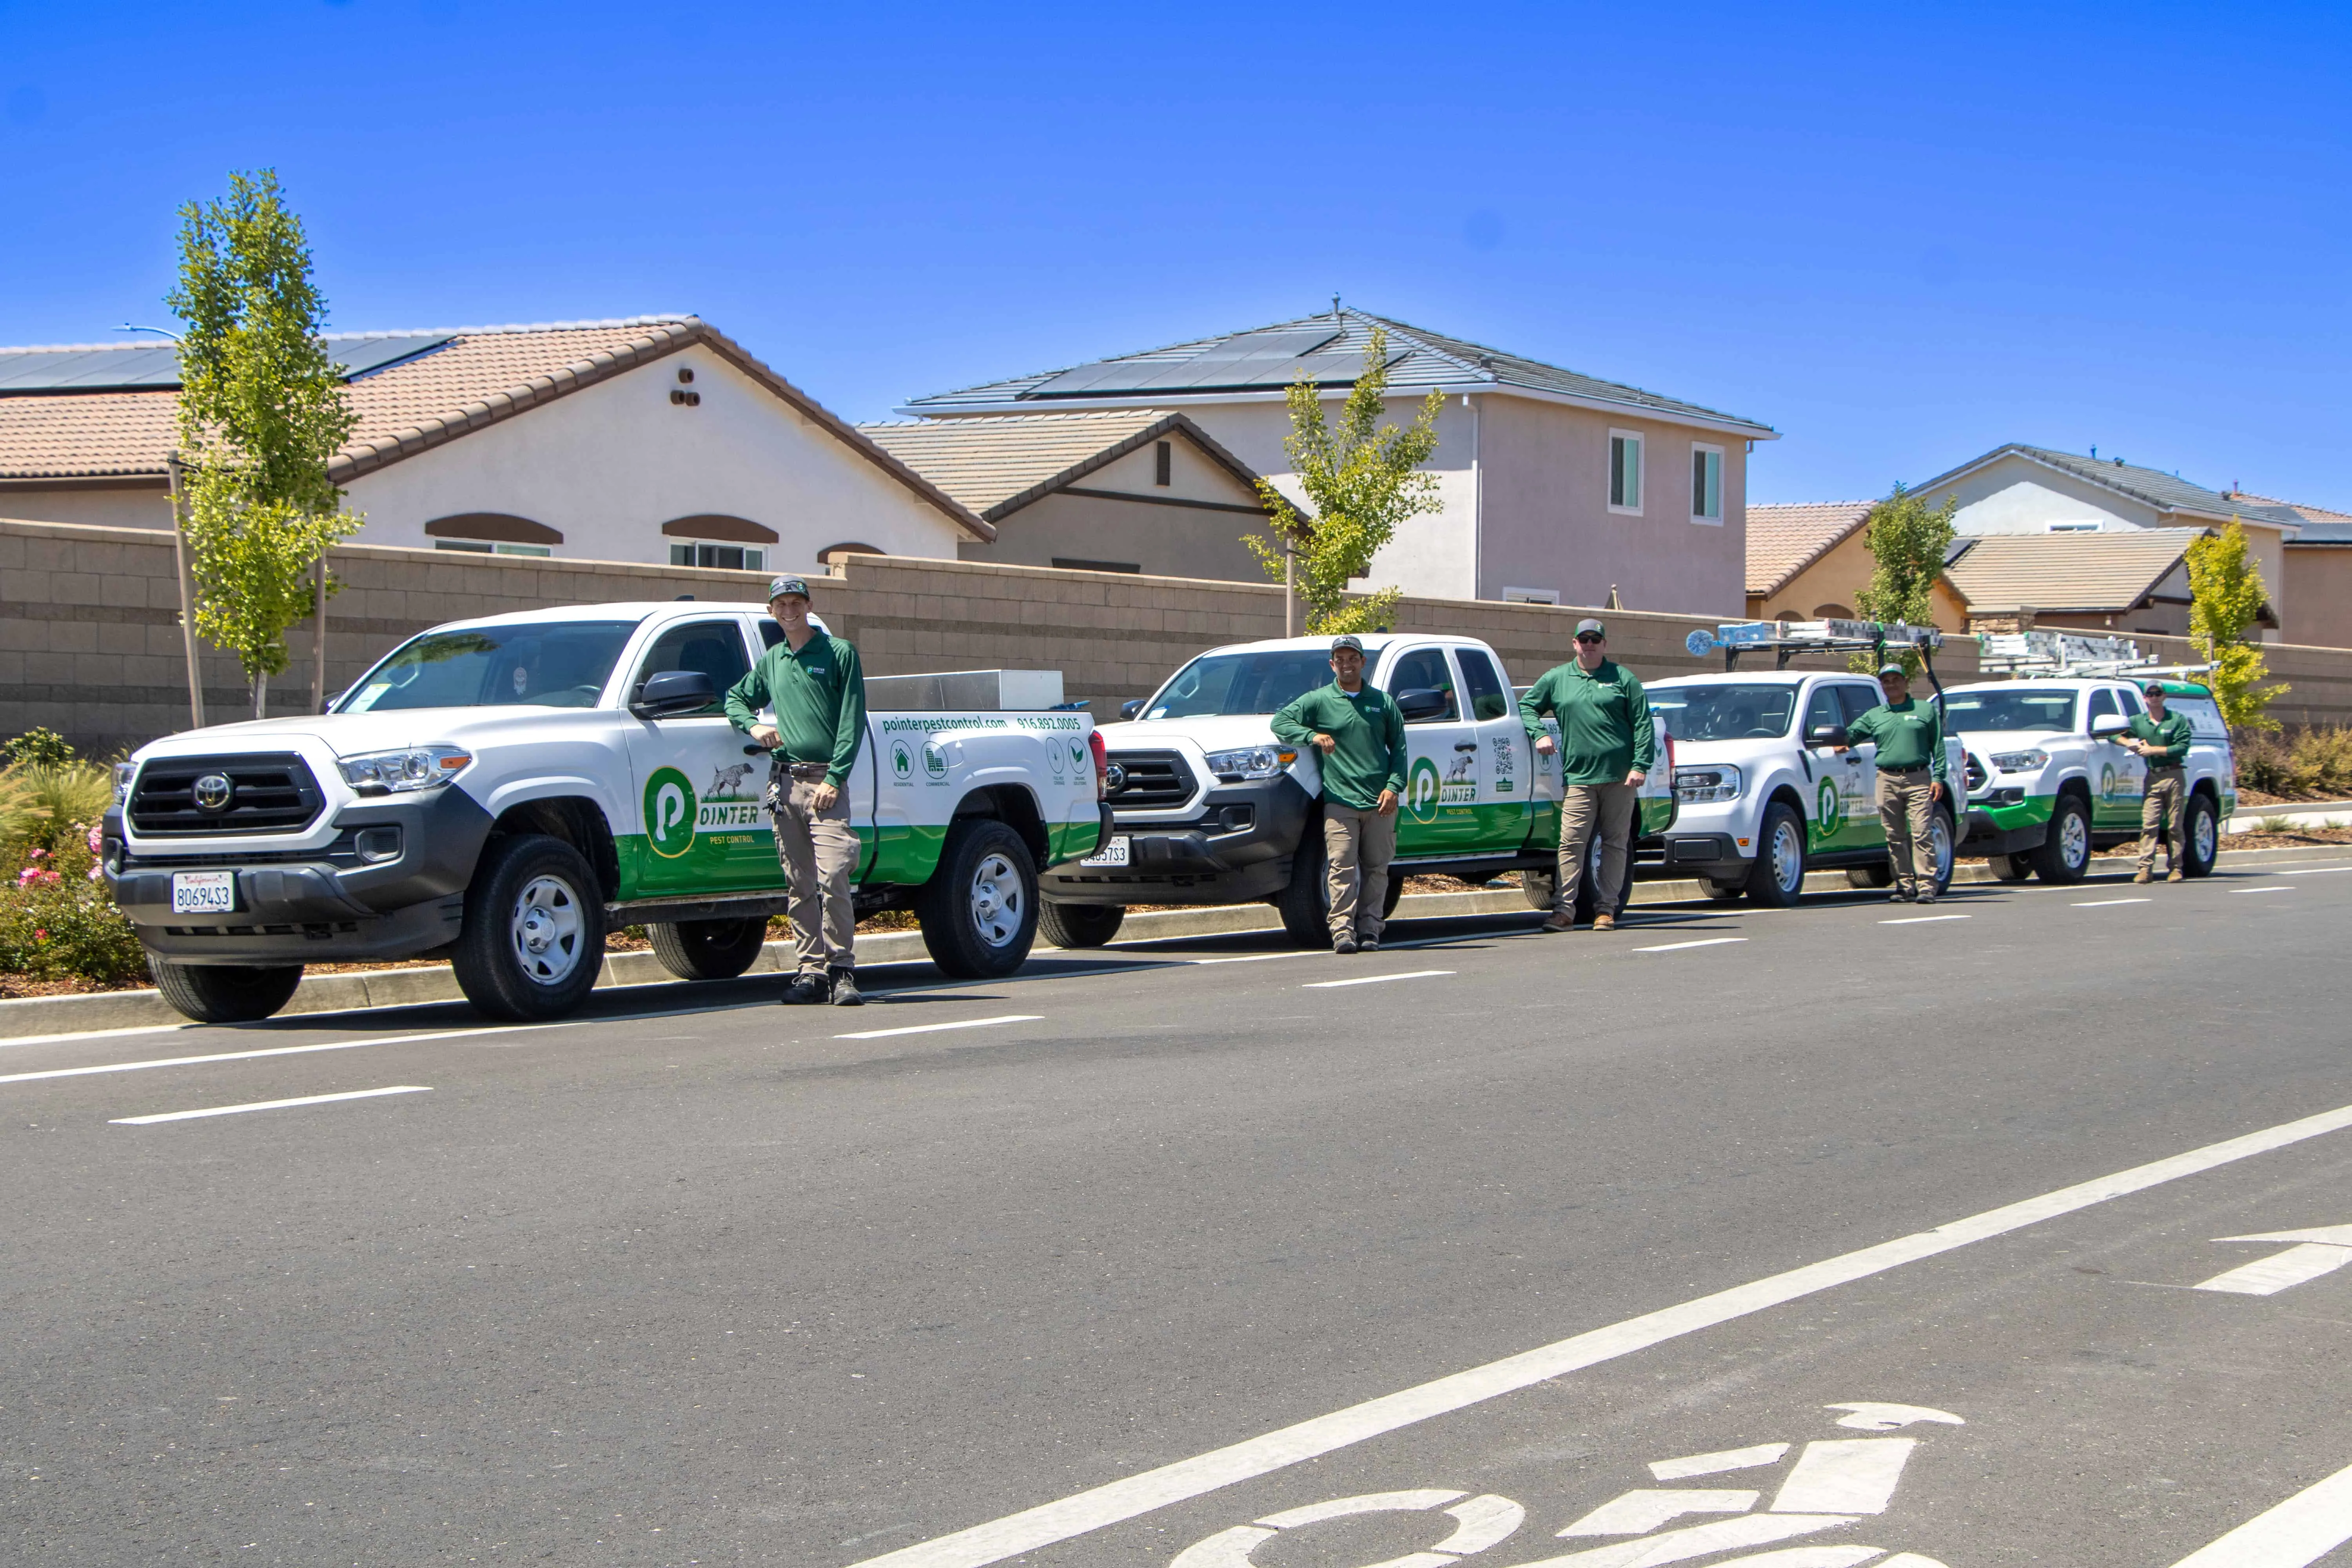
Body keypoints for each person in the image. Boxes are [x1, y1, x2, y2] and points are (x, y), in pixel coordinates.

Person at [724, 576, 869, 1005]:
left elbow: (852, 720)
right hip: (786, 782)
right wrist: (754, 725)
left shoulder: (839, 653)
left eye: (796, 602)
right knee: (799, 881)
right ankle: (811, 973)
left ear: (809, 605)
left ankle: (842, 971)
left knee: (833, 875)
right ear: (772, 611)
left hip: (826, 783)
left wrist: (835, 777)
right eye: (780, 604)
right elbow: (735, 698)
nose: (789, 610)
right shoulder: (773, 660)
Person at [1271, 633, 1406, 954]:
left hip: (1380, 802)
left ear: (1363, 662)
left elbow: (1399, 748)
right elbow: (1281, 722)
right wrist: (1312, 735)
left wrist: (1393, 787)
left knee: (1377, 868)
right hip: (1339, 801)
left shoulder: (1382, 702)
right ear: (1333, 665)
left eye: (1353, 658)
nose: (1347, 664)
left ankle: (1371, 929)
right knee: (1341, 867)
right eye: (1340, 659)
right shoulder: (1319, 700)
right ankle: (1343, 932)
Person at [1517, 618, 1653, 933]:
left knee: (1615, 842)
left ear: (1605, 644)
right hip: (1579, 777)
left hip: (1620, 778)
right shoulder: (1557, 679)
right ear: (1574, 643)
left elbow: (1643, 724)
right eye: (1584, 639)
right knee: (1571, 843)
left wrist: (1640, 765)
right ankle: (1564, 910)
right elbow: (1527, 707)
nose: (1590, 644)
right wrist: (1539, 734)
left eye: (1596, 639)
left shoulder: (1623, 679)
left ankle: (1606, 909)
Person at [1840, 662, 1948, 904]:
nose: (1891, 685)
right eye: (1886, 681)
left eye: (1895, 679)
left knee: (1921, 831)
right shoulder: (1876, 715)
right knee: (1894, 834)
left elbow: (1938, 745)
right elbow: (1851, 734)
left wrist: (1939, 777)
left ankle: (1927, 886)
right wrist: (1840, 741)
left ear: (1906, 682)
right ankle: (1904, 885)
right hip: (1886, 779)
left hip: (1918, 777)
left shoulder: (1924, 710)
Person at [2122, 679, 2193, 884]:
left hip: (2175, 776)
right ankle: (2145, 869)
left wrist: (2153, 750)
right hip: (2152, 776)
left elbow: (2182, 747)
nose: (2154, 697)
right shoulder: (2138, 721)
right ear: (2145, 698)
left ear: (2164, 696)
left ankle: (2176, 868)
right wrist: (2130, 744)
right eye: (2150, 694)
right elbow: (2114, 735)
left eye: (2158, 693)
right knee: (2149, 824)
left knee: (2175, 826)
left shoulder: (2177, 720)